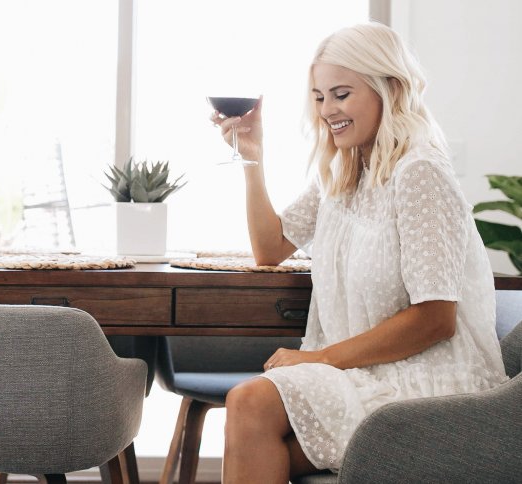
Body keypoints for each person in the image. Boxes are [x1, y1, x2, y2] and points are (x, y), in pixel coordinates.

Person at [211, 22, 509, 483]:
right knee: (254, 426)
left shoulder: (420, 171)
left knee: (251, 407)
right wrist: (251, 155)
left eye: (341, 94)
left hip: (427, 383)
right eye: (318, 96)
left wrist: (316, 358)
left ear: (388, 88)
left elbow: (436, 318)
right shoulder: (345, 171)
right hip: (364, 374)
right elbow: (270, 248)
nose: (327, 109)